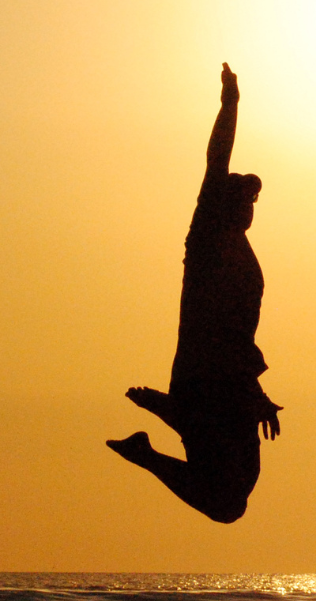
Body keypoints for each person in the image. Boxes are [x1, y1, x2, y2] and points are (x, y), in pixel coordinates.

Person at [107, 63, 281, 524]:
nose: (248, 207)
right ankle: (167, 426)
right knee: (228, 501)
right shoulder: (206, 235)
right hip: (208, 381)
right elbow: (216, 161)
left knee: (236, 491)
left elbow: (239, 336)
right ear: (222, 203)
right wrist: (231, 103)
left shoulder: (244, 252)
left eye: (252, 201)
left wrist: (256, 390)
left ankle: (171, 419)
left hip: (227, 382)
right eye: (241, 200)